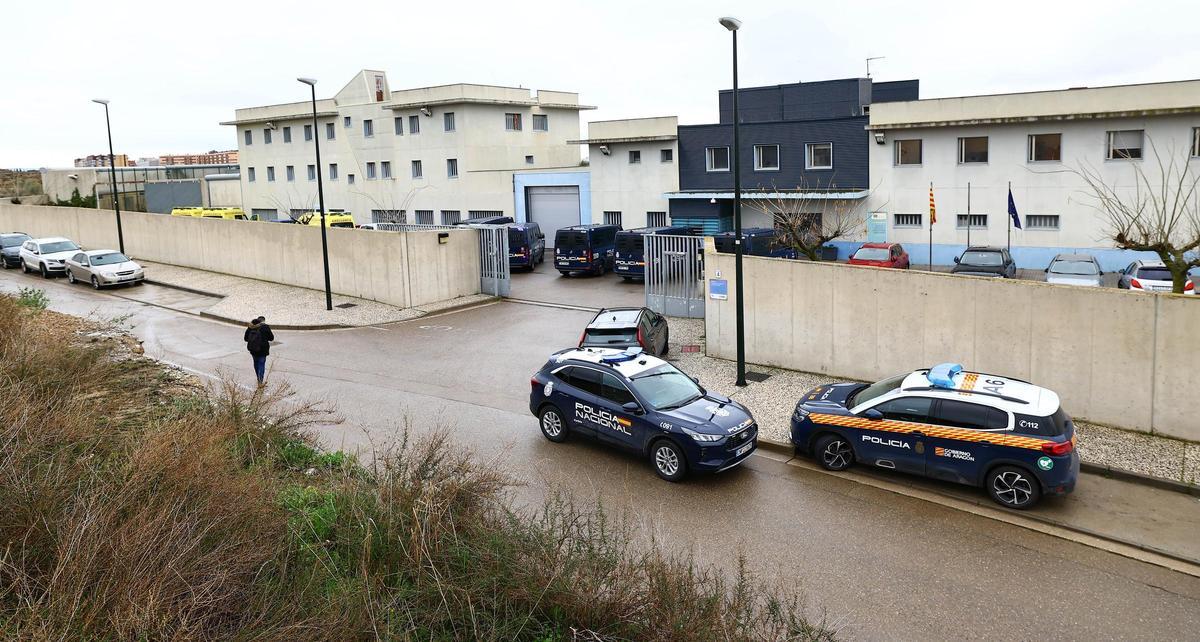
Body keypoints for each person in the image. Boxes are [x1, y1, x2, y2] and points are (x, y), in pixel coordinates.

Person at [244, 316, 275, 385]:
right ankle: (260, 381)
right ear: (263, 321)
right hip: (263, 350)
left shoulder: (250, 327)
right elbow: (271, 338)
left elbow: (245, 338)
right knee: (261, 364)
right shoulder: (265, 327)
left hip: (253, 349)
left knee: (256, 363)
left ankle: (258, 377)